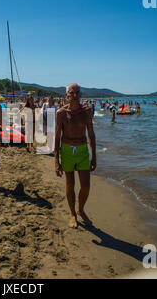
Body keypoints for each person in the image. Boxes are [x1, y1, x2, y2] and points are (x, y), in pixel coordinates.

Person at [55, 83, 96, 228]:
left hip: (82, 150)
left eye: (77, 93)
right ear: (66, 96)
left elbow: (91, 134)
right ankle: (73, 213)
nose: (75, 95)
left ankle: (81, 208)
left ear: (80, 95)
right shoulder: (60, 113)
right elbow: (57, 137)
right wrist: (56, 161)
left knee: (85, 186)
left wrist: (94, 156)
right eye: (72, 93)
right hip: (66, 150)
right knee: (70, 183)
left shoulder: (86, 112)